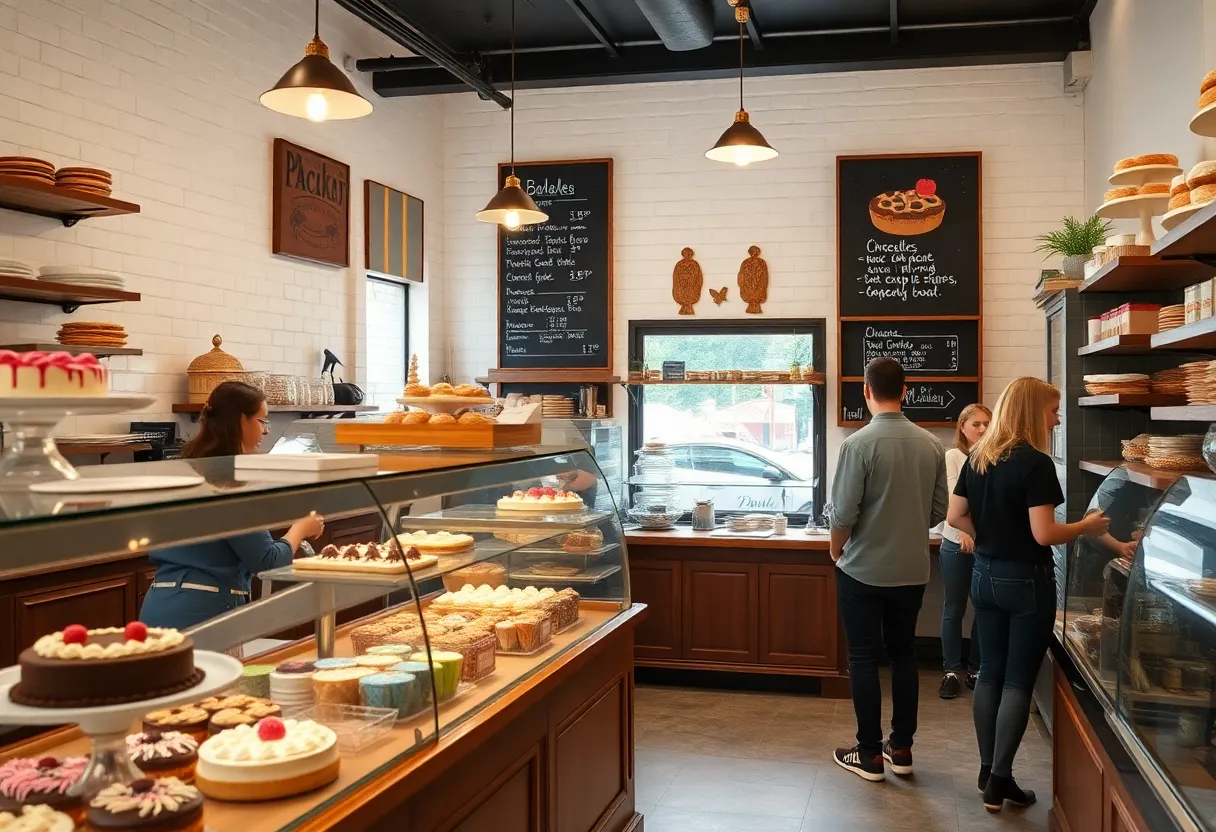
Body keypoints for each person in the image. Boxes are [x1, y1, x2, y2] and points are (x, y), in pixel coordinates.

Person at [947, 377, 1108, 813]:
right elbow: (1044, 533)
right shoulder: (1035, 463)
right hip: (1025, 583)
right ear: (1034, 411)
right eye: (1053, 411)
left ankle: (988, 771)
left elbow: (954, 515)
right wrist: (1086, 528)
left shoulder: (979, 456)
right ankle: (1000, 781)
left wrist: (990, 538)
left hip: (984, 575)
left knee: (990, 675)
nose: (1057, 419)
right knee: (1017, 680)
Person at [828, 357, 948, 782]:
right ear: (907, 390)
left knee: (862, 659)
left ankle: (868, 755)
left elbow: (842, 513)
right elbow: (939, 512)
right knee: (904, 655)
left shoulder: (858, 445)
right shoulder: (932, 445)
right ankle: (901, 749)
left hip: (861, 570)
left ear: (866, 390)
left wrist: (834, 550)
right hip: (912, 571)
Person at [140, 381, 325, 629]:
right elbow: (268, 561)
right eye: (263, 420)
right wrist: (301, 528)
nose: (267, 430)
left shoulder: (187, 468)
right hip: (203, 613)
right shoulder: (229, 483)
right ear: (241, 420)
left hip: (158, 606)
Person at [939, 403, 992, 700]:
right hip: (955, 541)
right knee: (954, 607)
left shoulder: (996, 457)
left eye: (987, 423)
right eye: (976, 424)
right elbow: (954, 499)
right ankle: (951, 671)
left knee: (983, 607)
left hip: (984, 542)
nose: (982, 429)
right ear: (962, 427)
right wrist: (963, 531)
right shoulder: (954, 456)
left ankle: (976, 668)